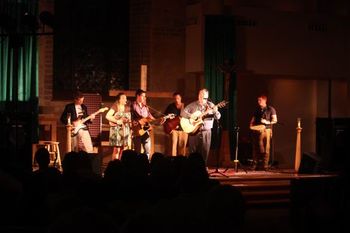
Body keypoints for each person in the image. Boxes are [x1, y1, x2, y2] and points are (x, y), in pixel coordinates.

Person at [181, 88, 221, 164]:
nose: (204, 99)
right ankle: (192, 168)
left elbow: (218, 117)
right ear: (199, 96)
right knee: (192, 151)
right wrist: (192, 116)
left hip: (206, 131)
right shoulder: (192, 105)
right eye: (202, 97)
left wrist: (215, 111)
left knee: (205, 151)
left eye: (205, 98)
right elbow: (183, 113)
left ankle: (203, 167)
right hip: (194, 131)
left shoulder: (211, 105)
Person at [249, 94, 277, 170]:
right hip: (257, 131)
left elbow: (275, 120)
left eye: (260, 100)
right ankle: (255, 165)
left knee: (266, 148)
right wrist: (251, 126)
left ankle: (265, 165)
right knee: (255, 148)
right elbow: (253, 120)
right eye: (258, 100)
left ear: (265, 100)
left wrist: (266, 122)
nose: (258, 102)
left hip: (266, 130)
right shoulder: (257, 110)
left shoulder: (270, 109)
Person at [105, 93, 131, 160]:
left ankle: (120, 165)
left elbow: (129, 119)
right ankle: (115, 165)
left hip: (125, 130)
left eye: (125, 98)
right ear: (119, 100)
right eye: (123, 98)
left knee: (123, 149)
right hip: (117, 130)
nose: (125, 99)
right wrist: (117, 121)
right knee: (117, 149)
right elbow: (107, 116)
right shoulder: (115, 106)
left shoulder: (127, 108)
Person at [131, 89, 155, 158]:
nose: (145, 98)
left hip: (145, 130)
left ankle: (146, 163)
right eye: (143, 96)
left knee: (147, 149)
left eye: (145, 96)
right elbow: (136, 116)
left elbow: (150, 116)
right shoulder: (133, 105)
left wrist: (160, 120)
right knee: (137, 150)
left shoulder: (146, 107)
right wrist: (142, 120)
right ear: (138, 96)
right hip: (137, 130)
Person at [164, 92, 188, 156]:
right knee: (173, 147)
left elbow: (189, 117)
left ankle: (181, 162)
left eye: (178, 98)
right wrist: (169, 128)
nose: (176, 100)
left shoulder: (185, 106)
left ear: (181, 98)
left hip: (183, 129)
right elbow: (165, 117)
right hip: (174, 130)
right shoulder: (170, 106)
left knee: (182, 148)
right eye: (175, 98)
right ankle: (172, 162)